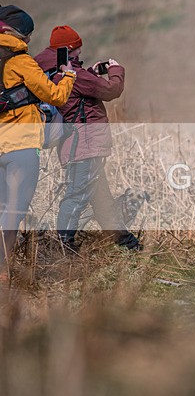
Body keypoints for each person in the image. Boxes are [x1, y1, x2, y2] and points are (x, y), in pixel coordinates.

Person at [34, 25, 142, 253]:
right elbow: (112, 90)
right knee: (76, 196)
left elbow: (78, 91)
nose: (80, 55)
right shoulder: (75, 76)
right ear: (68, 50)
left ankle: (125, 242)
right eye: (77, 51)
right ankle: (65, 249)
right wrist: (116, 69)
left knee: (100, 197)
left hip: (75, 144)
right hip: (85, 145)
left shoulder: (50, 71)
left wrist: (91, 71)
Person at [1, 5, 76, 275]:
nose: (29, 40)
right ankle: (3, 273)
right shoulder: (22, 62)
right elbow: (55, 96)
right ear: (15, 33)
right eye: (27, 34)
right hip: (21, 147)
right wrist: (68, 75)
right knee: (13, 213)